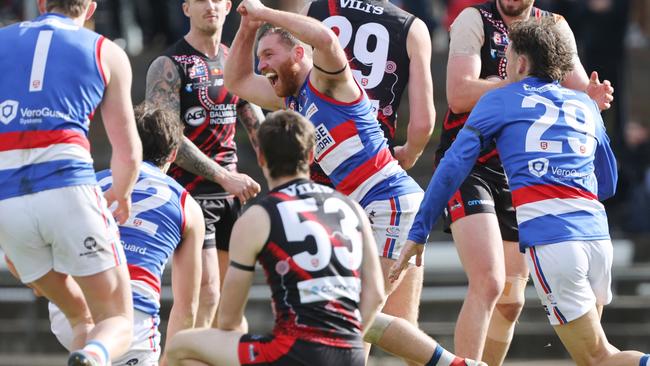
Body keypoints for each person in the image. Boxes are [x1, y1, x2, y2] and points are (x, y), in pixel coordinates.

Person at [390, 17, 650, 366]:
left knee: (599, 357)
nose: (504, 66)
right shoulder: (586, 105)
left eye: (508, 58)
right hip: (597, 239)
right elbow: (609, 181)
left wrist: (419, 231)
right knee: (592, 357)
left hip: (555, 241)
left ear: (522, 63)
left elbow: (452, 167)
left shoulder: (499, 101)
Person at [165, 110, 486, 366]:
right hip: (348, 349)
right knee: (360, 316)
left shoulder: (257, 216)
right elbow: (373, 296)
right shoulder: (349, 208)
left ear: (261, 158)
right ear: (312, 154)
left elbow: (231, 318)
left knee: (181, 346)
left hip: (292, 349)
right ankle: (451, 361)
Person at [223, 0, 426, 349]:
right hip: (373, 207)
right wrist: (248, 25)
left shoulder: (327, 80)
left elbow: (328, 41)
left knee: (348, 319)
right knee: (369, 323)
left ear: (300, 54)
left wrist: (264, 12)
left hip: (390, 202)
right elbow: (237, 80)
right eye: (261, 59)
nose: (263, 66)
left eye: (270, 55)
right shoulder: (291, 100)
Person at [0, 1, 142, 365]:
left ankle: (87, 351)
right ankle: (94, 354)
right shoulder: (106, 50)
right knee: (117, 321)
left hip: (6, 200)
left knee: (82, 317)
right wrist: (122, 195)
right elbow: (127, 151)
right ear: (91, 6)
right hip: (70, 190)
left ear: (42, 3)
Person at [49, 106, 204, 366]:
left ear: (124, 139)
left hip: (69, 309)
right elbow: (186, 307)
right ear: (174, 154)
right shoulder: (187, 205)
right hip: (133, 317)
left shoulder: (90, 184)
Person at [145, 0, 263, 327]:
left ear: (228, 7)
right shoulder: (168, 64)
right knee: (205, 295)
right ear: (185, 9)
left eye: (217, 0)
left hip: (231, 197)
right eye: (200, 0)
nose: (209, 5)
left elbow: (257, 126)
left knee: (230, 306)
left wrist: (286, 177)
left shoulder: (234, 62)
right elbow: (169, 137)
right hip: (191, 195)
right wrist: (225, 177)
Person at [303, 0, 435, 184]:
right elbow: (423, 124)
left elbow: (288, 78)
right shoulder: (413, 28)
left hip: (313, 154)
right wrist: (410, 153)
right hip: (372, 165)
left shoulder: (313, 9)